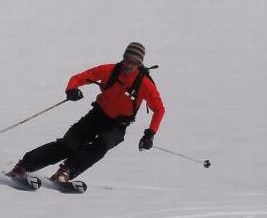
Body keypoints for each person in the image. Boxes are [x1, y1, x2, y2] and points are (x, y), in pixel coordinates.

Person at [9, 42, 165, 183]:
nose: (128, 65)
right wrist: (72, 89)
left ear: (139, 64)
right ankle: (23, 166)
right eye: (127, 60)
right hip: (97, 115)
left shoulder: (144, 84)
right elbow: (81, 77)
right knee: (68, 144)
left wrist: (150, 133)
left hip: (117, 126)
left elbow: (159, 109)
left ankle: (66, 171)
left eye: (134, 62)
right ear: (123, 57)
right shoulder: (110, 70)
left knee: (101, 145)